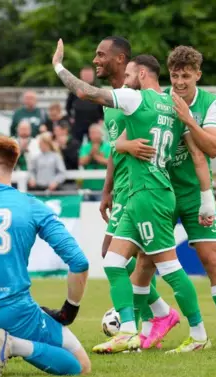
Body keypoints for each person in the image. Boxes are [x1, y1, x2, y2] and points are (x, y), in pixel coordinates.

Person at [53, 40, 216, 353]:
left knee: (168, 267)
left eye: (129, 74)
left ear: (141, 74)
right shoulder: (174, 104)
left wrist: (59, 66)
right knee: (113, 261)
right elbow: (194, 151)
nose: (125, 80)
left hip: (149, 193)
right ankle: (128, 330)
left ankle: (198, 334)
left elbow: (86, 92)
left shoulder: (133, 98)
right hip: (148, 190)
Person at [0, 135, 91, 377]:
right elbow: (79, 262)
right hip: (16, 312)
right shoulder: (30, 205)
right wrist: (69, 311)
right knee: (81, 365)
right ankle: (13, 345)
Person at [141, 45, 216, 351]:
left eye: (186, 75)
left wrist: (188, 119)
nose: (180, 82)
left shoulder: (210, 103)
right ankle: (148, 327)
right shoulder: (159, 100)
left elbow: (212, 149)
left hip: (196, 193)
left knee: (212, 258)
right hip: (161, 193)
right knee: (144, 260)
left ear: (198, 74)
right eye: (174, 75)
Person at [92, 37, 178, 350]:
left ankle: (149, 321)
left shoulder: (139, 99)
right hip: (124, 191)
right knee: (121, 257)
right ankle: (153, 318)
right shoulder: (113, 103)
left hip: (144, 191)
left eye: (101, 55)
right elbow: (117, 150)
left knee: (140, 259)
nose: (96, 60)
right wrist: (107, 191)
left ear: (121, 59)